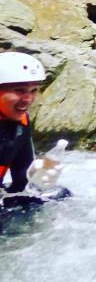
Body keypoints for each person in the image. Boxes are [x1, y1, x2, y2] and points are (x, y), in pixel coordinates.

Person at [0, 52, 70, 210]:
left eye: (33, 90)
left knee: (59, 194)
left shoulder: (20, 121)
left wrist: (36, 177)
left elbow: (22, 183)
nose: (28, 99)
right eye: (19, 90)